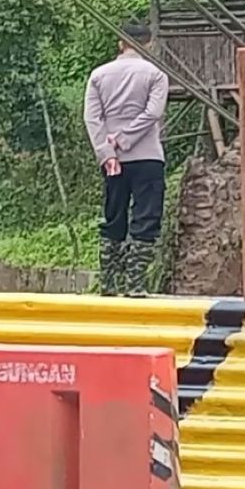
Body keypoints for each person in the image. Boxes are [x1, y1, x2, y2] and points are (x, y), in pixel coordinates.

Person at [84, 21, 169, 297]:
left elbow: (92, 118)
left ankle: (109, 284)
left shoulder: (98, 75)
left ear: (121, 44)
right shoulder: (156, 74)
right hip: (147, 156)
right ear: (149, 44)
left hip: (112, 160)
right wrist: (126, 138)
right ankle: (136, 285)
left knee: (113, 215)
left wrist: (108, 150)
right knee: (146, 216)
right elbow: (153, 113)